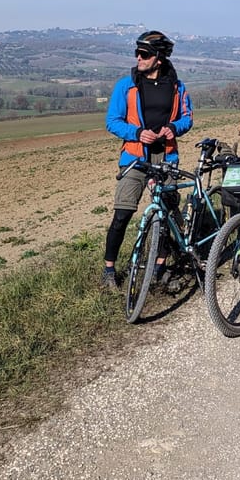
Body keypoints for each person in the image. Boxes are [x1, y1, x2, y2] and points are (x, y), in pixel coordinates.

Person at [101, 30, 193, 289]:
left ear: (159, 59)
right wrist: (138, 133)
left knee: (165, 214)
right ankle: (109, 271)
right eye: (137, 53)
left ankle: (159, 268)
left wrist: (174, 128)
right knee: (122, 213)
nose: (138, 58)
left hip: (166, 157)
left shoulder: (177, 87)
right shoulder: (126, 85)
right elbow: (112, 121)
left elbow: (187, 118)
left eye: (144, 54)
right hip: (135, 156)